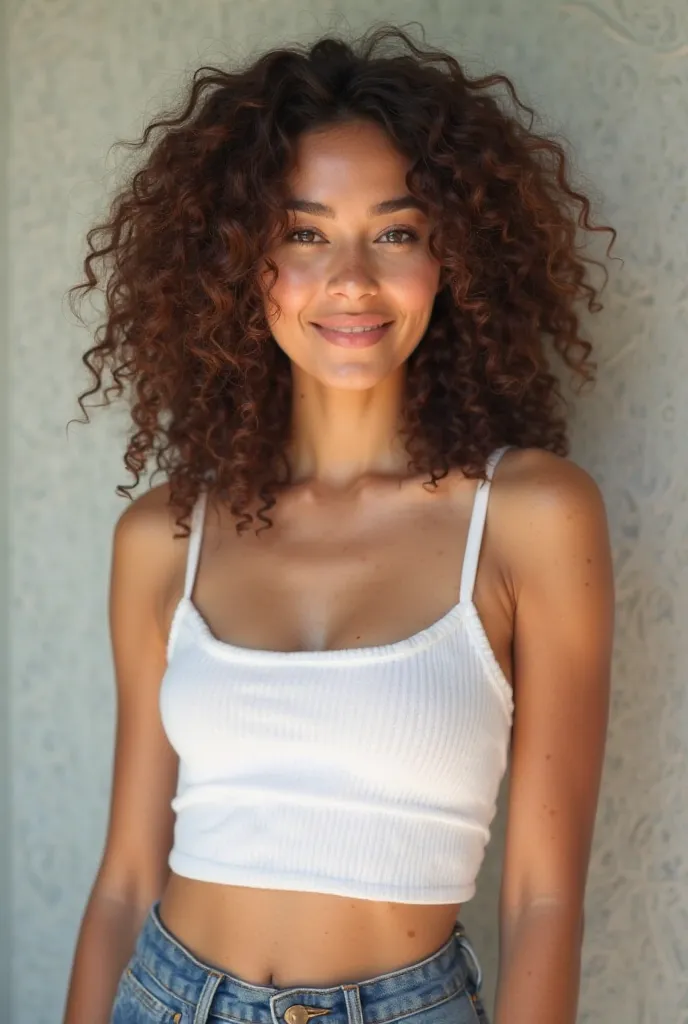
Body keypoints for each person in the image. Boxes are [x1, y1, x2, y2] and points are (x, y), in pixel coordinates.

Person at [62, 23, 616, 1024]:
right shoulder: (164, 537)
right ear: (243, 262)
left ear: (450, 256)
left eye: (396, 231)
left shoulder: (531, 518)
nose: (351, 277)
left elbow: (541, 900)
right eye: (304, 232)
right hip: (164, 997)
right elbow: (125, 875)